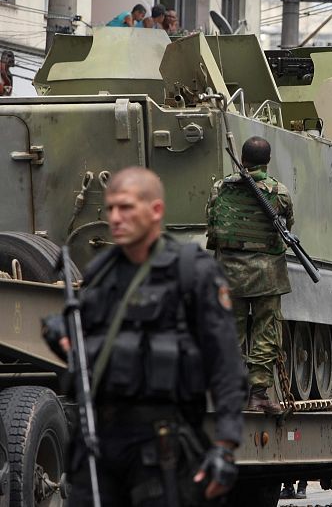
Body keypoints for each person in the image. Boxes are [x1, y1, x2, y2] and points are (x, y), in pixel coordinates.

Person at [47, 166, 246, 505]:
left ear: (155, 211)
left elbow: (226, 366)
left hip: (159, 444)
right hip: (99, 443)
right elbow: (97, 349)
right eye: (110, 209)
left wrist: (225, 447)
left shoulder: (192, 272)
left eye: (126, 208)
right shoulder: (101, 271)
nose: (115, 218)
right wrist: (64, 337)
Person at [206, 136, 294, 414]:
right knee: (266, 332)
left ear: (242, 159)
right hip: (266, 275)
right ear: (267, 162)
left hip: (229, 273)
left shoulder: (220, 188)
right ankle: (258, 394)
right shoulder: (278, 192)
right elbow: (287, 223)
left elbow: (211, 223)